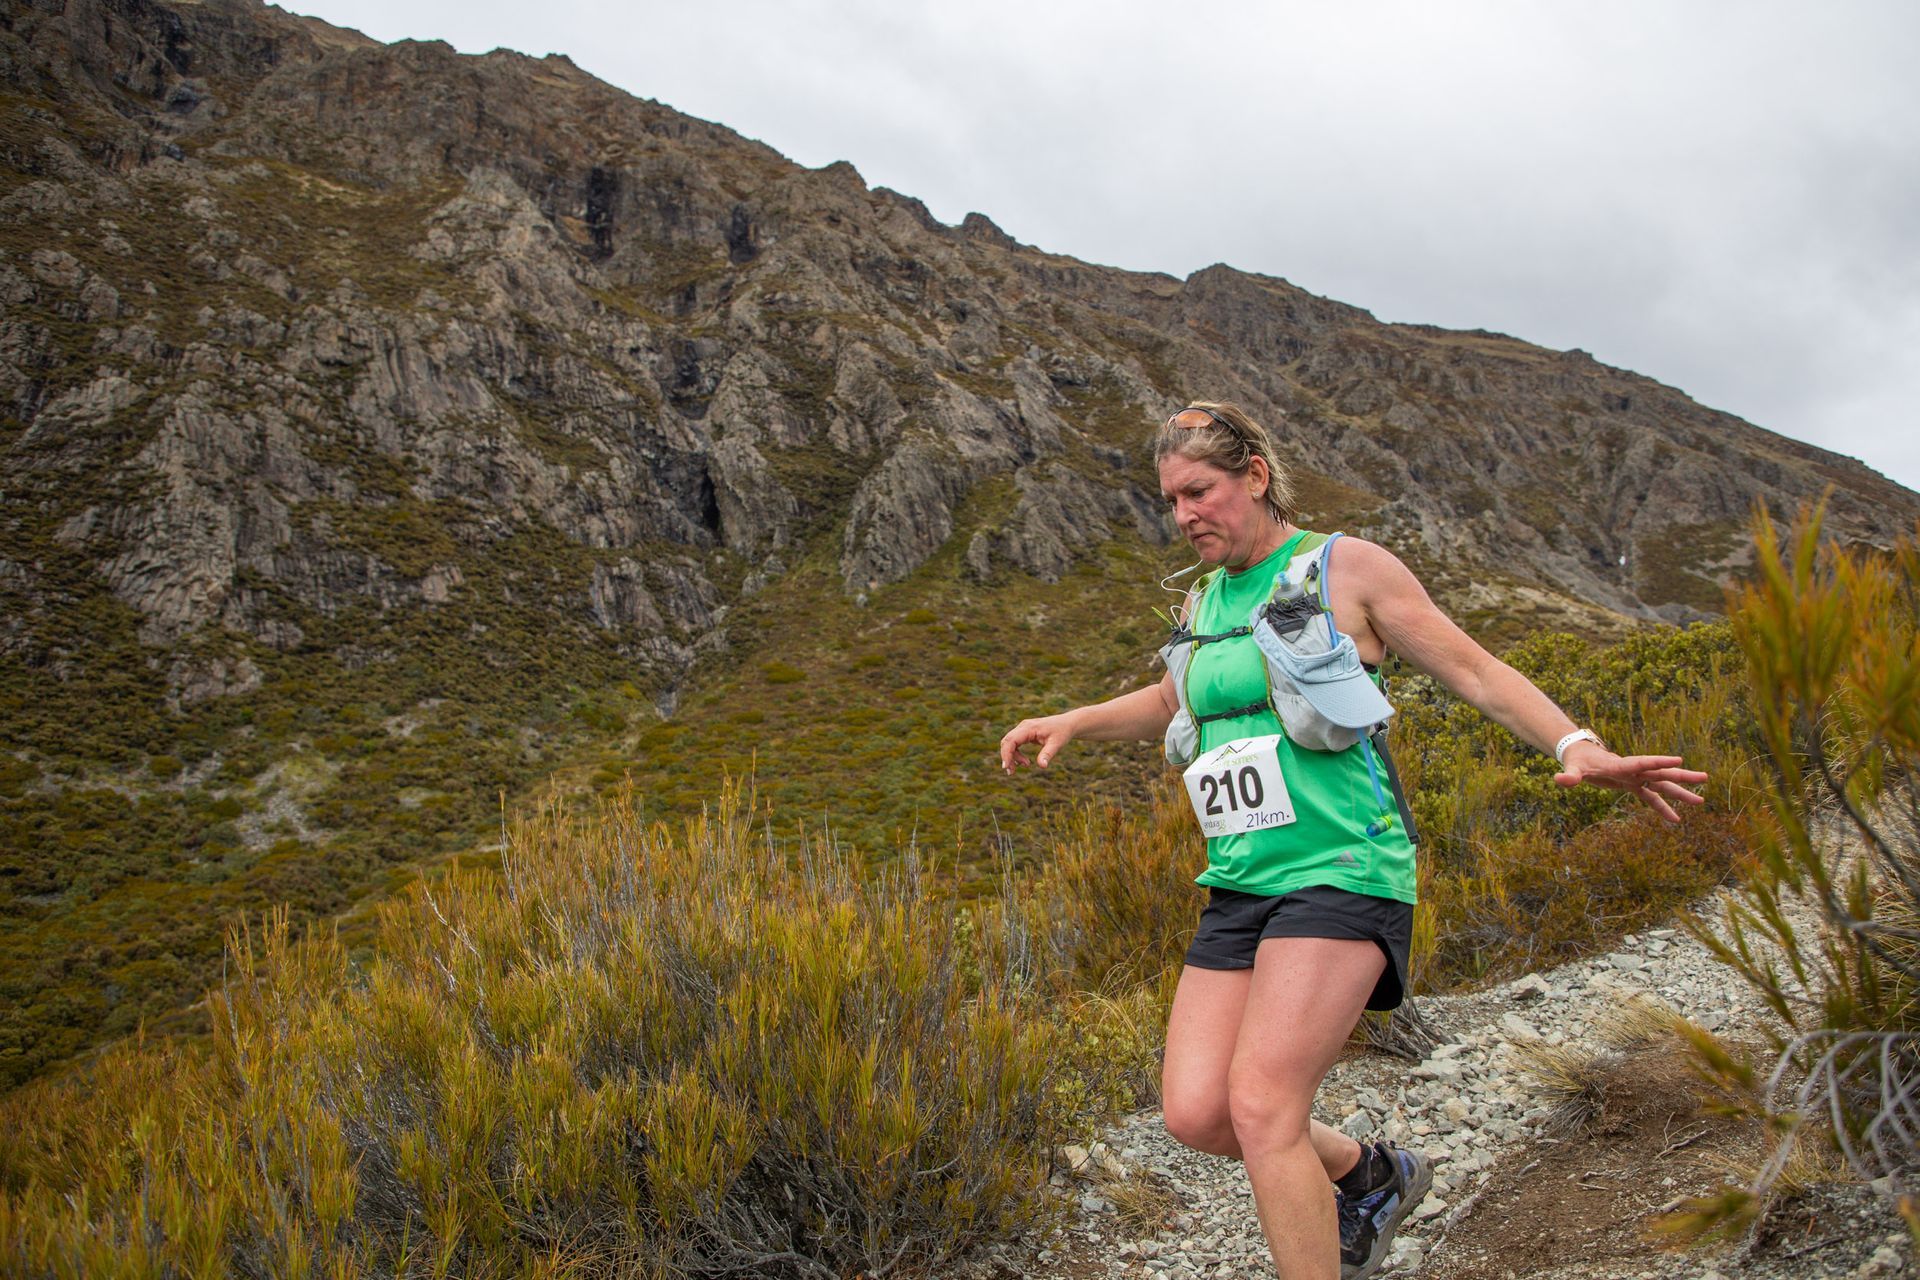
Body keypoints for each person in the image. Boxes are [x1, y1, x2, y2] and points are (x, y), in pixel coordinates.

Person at [998, 402, 1708, 1280]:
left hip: (1344, 867)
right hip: (1241, 880)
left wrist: (1579, 748)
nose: (1184, 515)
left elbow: (1476, 671)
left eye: (1200, 491)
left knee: (1263, 1107)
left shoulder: (1345, 568)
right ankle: (1371, 1175)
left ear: (1254, 476)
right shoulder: (1203, 598)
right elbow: (1175, 702)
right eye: (1171, 501)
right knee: (1195, 1113)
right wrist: (1074, 719)